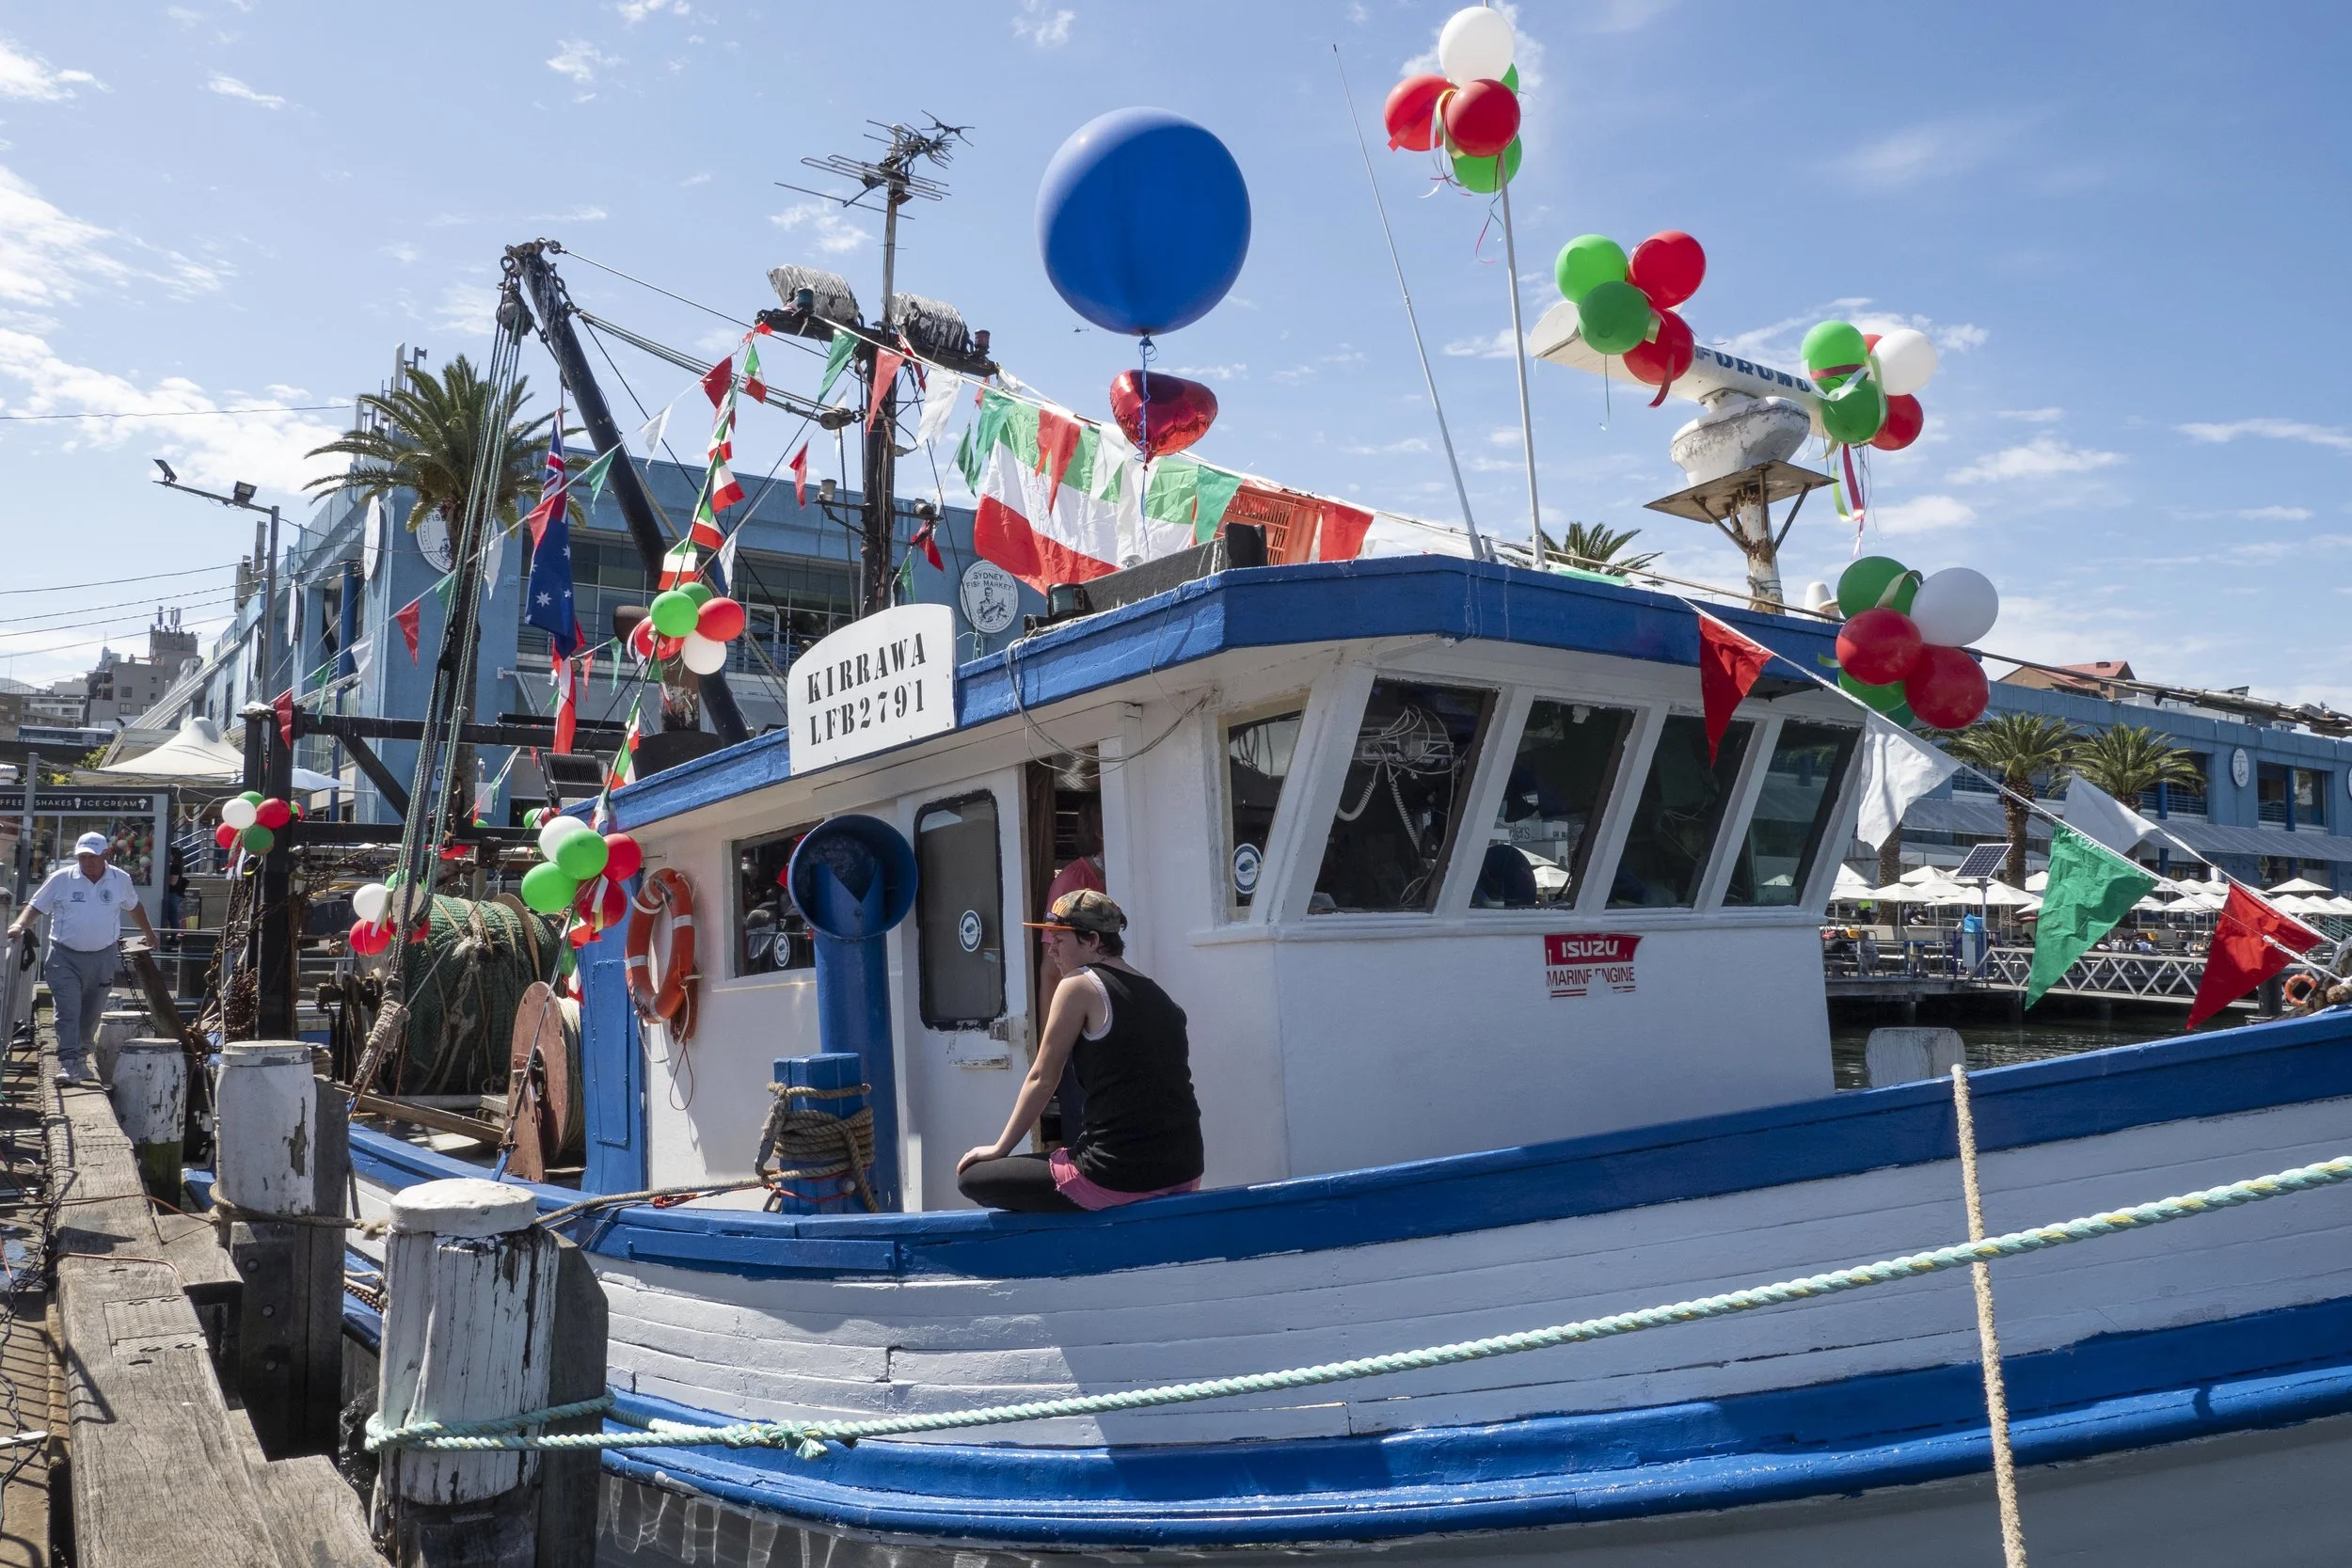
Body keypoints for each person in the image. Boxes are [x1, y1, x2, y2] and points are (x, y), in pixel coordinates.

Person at [958, 889, 1203, 1213]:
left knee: (973, 1178)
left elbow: (1043, 1077)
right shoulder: (1159, 996)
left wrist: (1000, 1147)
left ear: (1092, 940)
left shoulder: (1079, 984)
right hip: (1185, 1168)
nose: (1052, 951)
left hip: (1118, 1173)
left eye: (1060, 939)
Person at [8, 832, 158, 1082]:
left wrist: (149, 934)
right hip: (64, 956)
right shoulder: (61, 878)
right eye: (82, 856)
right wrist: (19, 926)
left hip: (102, 956)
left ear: (106, 855)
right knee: (67, 1010)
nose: (86, 861)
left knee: (90, 1013)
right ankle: (67, 1062)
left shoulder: (119, 879)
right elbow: (36, 905)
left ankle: (81, 1057)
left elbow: (134, 906)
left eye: (91, 856)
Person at [1035, 795, 1105, 1132]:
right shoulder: (1071, 882)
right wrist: (1053, 1053)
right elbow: (1051, 972)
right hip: (1081, 1038)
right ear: (1099, 830)